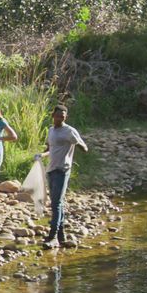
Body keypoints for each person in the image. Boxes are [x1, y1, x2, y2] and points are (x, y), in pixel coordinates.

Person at [36, 105, 88, 249]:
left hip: (62, 170)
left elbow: (84, 147)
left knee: (56, 203)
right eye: (58, 116)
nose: (60, 118)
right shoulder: (51, 130)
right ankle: (61, 236)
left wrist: (78, 145)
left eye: (63, 116)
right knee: (57, 202)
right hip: (51, 169)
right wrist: (41, 155)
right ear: (53, 116)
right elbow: (50, 149)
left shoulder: (69, 131)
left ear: (66, 117)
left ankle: (52, 236)